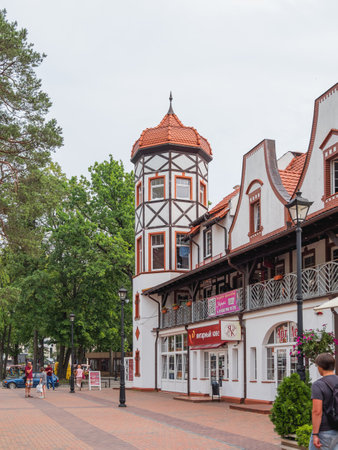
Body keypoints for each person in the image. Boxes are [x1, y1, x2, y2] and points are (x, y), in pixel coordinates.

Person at [309, 353, 338, 450]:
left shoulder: (318, 385)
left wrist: (315, 434)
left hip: (324, 431)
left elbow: (317, 412)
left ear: (320, 367)